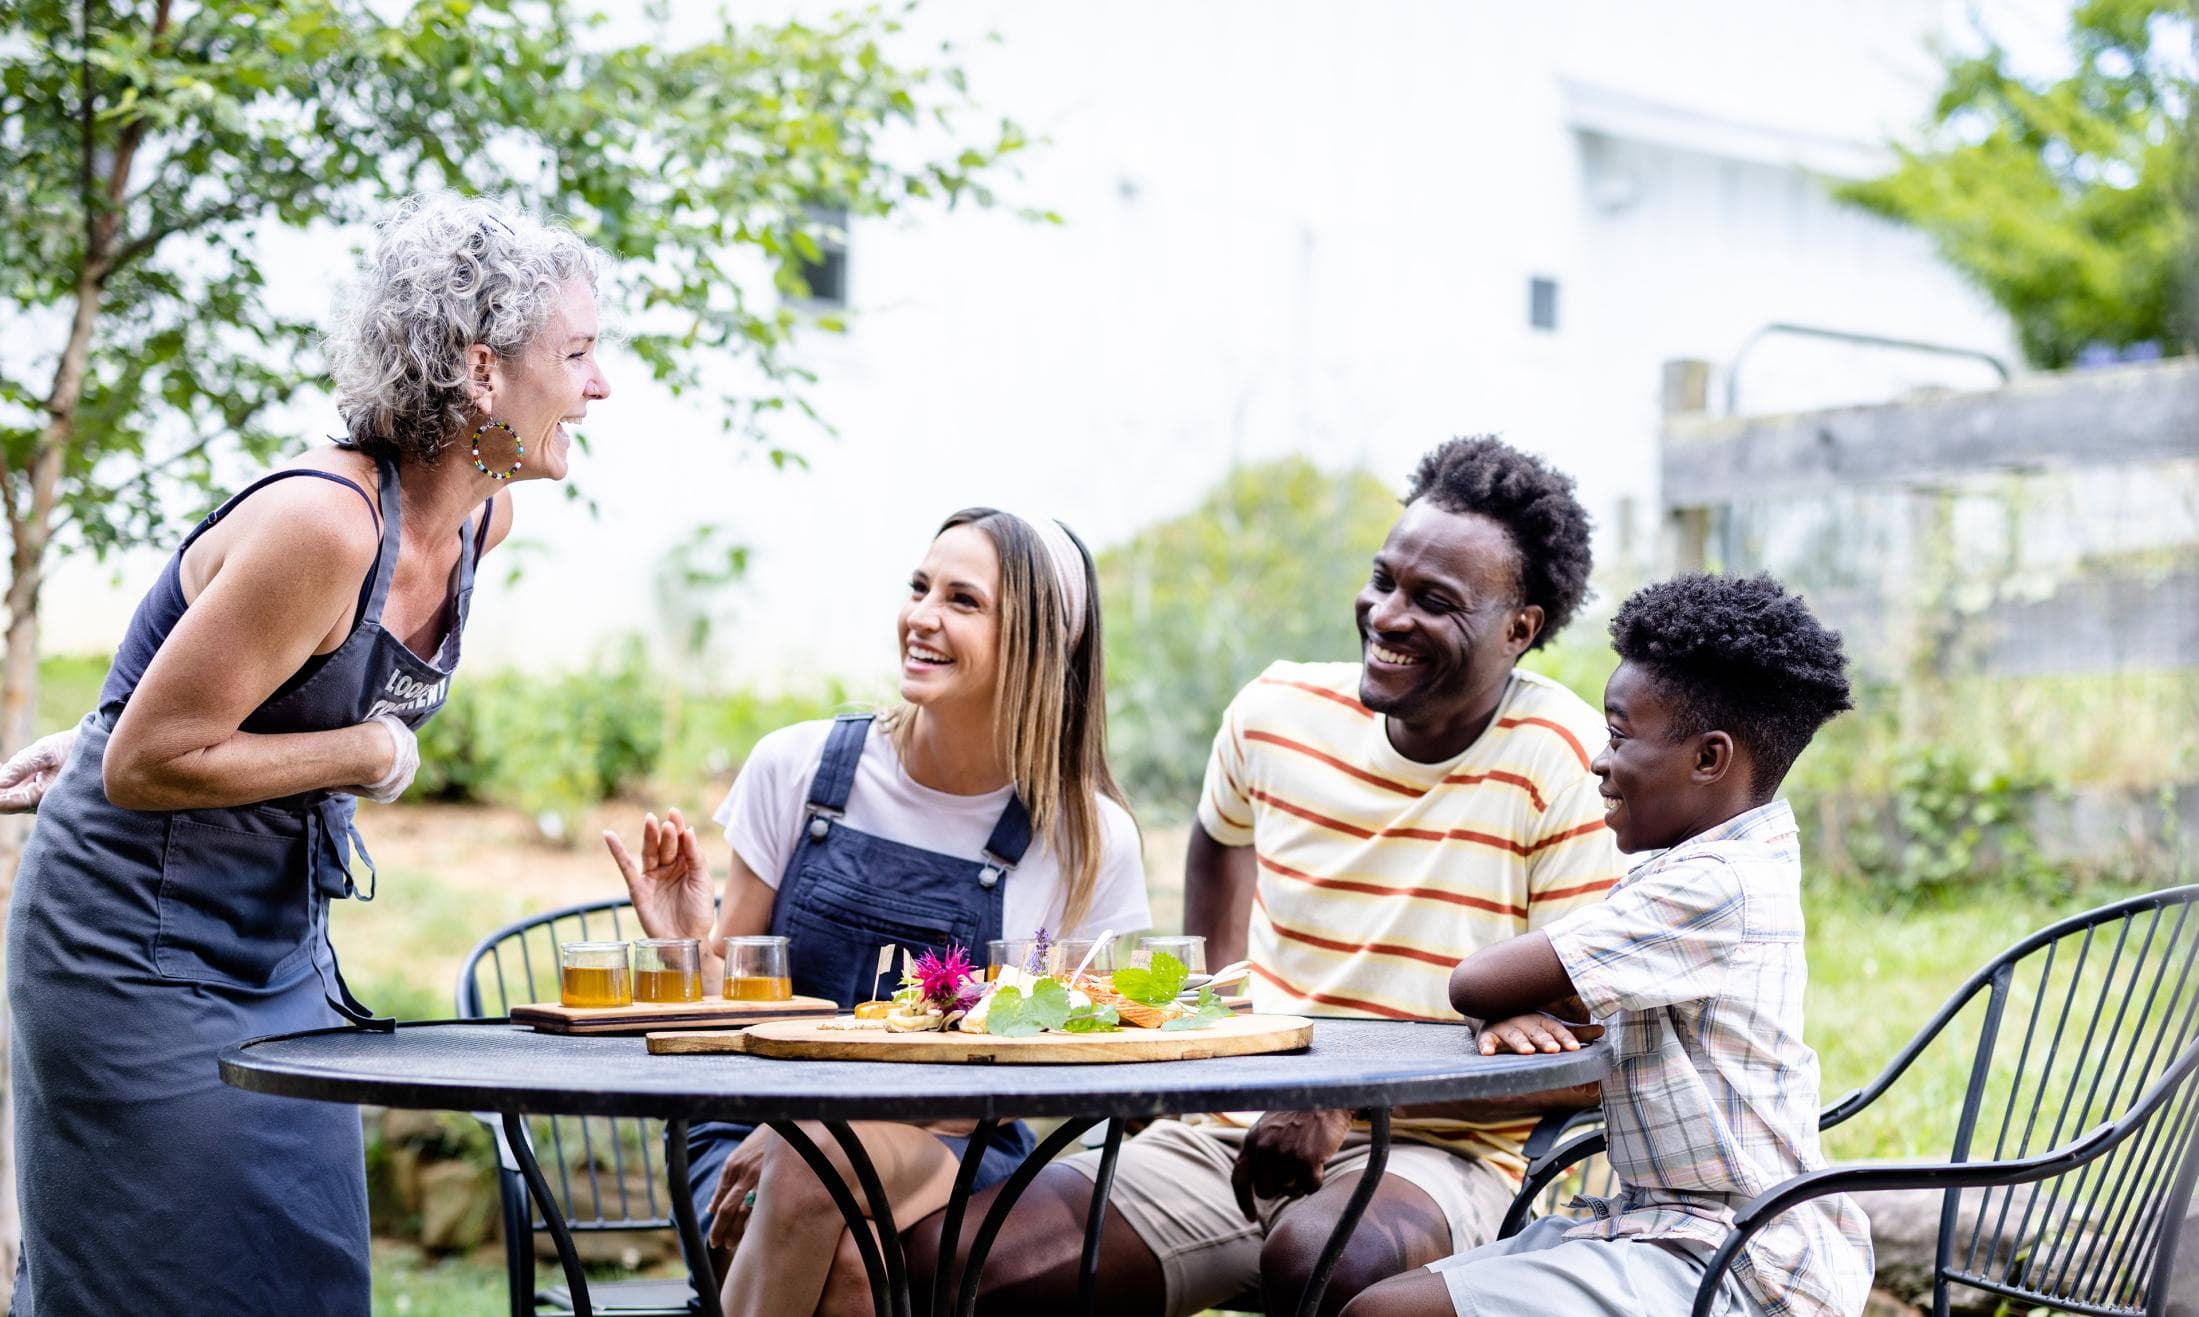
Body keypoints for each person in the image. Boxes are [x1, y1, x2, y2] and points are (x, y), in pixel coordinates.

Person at [1, 192, 610, 1315]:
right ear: (481, 370)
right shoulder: (327, 524)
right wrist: (366, 750)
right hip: (130, 951)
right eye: (576, 354)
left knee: (305, 1267)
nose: (600, 385)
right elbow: (147, 763)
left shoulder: (482, 525)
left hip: (280, 949)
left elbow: (213, 693)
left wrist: (109, 735)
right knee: (161, 1278)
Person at [918, 436, 1625, 1316]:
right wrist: (1251, 1060)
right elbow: (1217, 889)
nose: (1387, 614)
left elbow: (1582, 1042)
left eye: (1434, 601)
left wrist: (1342, 1096)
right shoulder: (1274, 715)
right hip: (1231, 1132)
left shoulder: (1562, 759)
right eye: (1384, 579)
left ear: (1520, 628)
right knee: (964, 1262)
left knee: (1326, 1260)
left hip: (1438, 1155)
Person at [604, 506, 1151, 1317]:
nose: (920, 616)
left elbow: (1056, 1061)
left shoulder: (1086, 837)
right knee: (847, 1265)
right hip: (745, 1130)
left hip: (951, 1145)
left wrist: (818, 1129)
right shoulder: (796, 767)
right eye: (919, 586)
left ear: (1037, 643)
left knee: (813, 1160)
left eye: (963, 601)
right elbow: (729, 1014)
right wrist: (689, 944)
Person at [1346, 573, 1874, 1317]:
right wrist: (1513, 1011)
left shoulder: (1711, 884)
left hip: (1738, 1264)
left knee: (1381, 1313)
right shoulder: (1710, 864)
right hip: (1665, 1229)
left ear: (1708, 758)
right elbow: (1540, 992)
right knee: (1380, 1300)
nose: (1596, 760)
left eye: (1619, 735)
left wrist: (1499, 1000)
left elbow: (1477, 979)